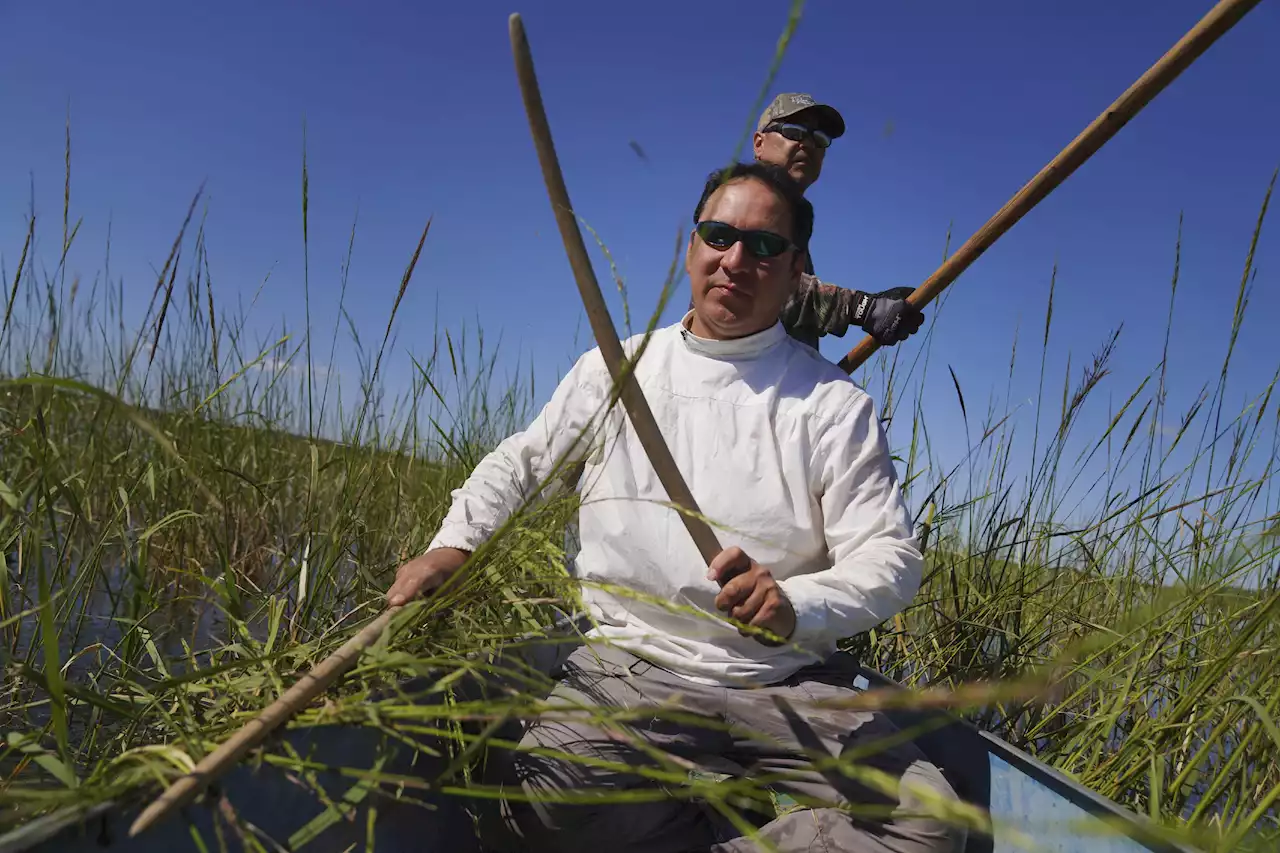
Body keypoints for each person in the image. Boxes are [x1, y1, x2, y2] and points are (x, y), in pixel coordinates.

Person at [386, 161, 966, 852]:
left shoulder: (833, 404)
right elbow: (525, 462)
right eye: (718, 234)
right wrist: (457, 543)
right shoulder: (617, 366)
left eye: (765, 246)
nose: (735, 259)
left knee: (929, 824)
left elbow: (889, 558)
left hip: (782, 679)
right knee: (540, 801)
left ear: (795, 270)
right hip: (630, 661)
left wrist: (795, 604)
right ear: (691, 245)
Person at [748, 92, 925, 350]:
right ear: (758, 143)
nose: (807, 144)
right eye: (794, 131)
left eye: (819, 138)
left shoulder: (793, 219)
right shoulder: (743, 200)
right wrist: (862, 308)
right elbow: (758, 280)